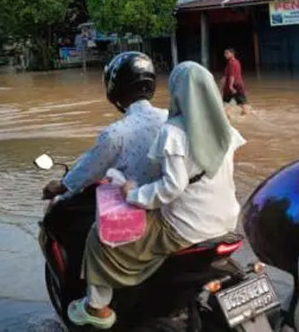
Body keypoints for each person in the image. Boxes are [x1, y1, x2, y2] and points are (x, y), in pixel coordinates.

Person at [68, 61, 245, 329]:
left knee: (102, 237)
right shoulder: (226, 131)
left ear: (176, 91)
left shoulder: (174, 132)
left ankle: (97, 308)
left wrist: (132, 195)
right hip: (227, 221)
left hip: (184, 227)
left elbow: (170, 188)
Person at [43, 52, 167, 201]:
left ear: (114, 87)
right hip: (172, 202)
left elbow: (88, 169)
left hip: (135, 206)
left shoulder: (115, 133)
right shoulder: (171, 118)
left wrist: (62, 185)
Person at [221, 48, 248, 115]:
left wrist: (230, 87)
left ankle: (227, 117)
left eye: (227, 53)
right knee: (241, 103)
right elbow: (230, 74)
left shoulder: (231, 63)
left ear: (232, 54)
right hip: (238, 84)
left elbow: (232, 75)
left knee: (225, 103)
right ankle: (243, 116)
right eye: (225, 53)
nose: (225, 55)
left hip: (233, 86)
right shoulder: (236, 62)